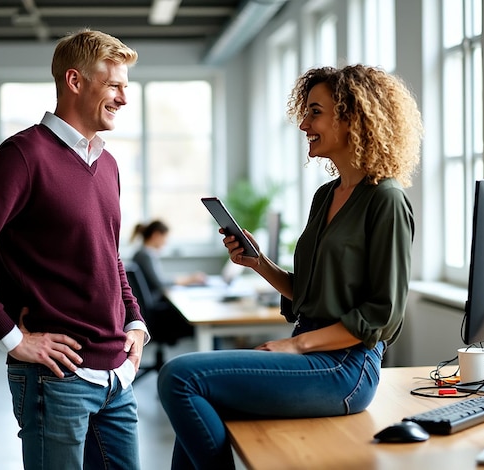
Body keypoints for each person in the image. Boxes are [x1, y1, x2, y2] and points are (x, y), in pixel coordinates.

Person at [157, 64, 423, 469]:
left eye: (316, 112)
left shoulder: (385, 199)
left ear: (352, 116)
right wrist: (259, 263)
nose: (304, 124)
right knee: (194, 387)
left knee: (180, 377)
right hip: (312, 351)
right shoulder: (326, 196)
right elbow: (312, 293)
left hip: (346, 366)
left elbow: (381, 316)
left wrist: (297, 344)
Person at [0, 29, 148, 470]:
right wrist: (11, 337)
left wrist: (136, 320)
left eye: (127, 86)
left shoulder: (107, 164)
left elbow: (110, 256)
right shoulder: (24, 155)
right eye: (114, 85)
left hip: (116, 379)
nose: (125, 98)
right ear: (75, 81)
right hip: (57, 379)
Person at [129, 220, 198, 342]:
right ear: (156, 235)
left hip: (153, 307)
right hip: (156, 312)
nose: (166, 242)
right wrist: (189, 280)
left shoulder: (143, 253)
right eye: (165, 237)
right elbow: (160, 283)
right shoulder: (145, 255)